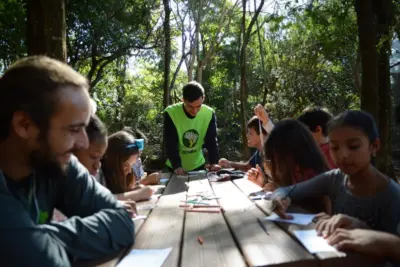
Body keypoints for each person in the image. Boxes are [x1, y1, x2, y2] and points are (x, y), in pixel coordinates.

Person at [0, 56, 134, 266]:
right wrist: (34, 246)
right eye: (73, 129)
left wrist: (41, 238)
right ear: (24, 125)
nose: (83, 143)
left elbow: (122, 221)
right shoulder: (53, 158)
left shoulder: (55, 162)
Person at [272, 110, 400, 236]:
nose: (343, 155)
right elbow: (287, 190)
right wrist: (280, 199)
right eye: (334, 148)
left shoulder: (392, 196)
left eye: (353, 146)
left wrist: (362, 229)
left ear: (374, 146)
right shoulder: (334, 178)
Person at [164, 81, 221, 175]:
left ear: (203, 98)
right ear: (183, 99)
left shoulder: (209, 113)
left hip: (198, 164)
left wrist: (214, 162)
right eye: (190, 106)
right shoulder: (171, 113)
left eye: (198, 106)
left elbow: (211, 140)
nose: (194, 111)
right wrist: (177, 165)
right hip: (175, 167)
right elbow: (170, 142)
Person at [102, 130, 153, 201]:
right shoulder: (98, 174)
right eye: (125, 165)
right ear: (112, 160)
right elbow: (100, 201)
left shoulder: (121, 177)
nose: (129, 171)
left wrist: (131, 189)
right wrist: (137, 194)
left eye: (132, 165)